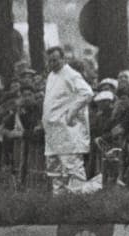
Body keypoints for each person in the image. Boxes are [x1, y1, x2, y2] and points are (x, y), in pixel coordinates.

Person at [42, 45, 93, 193]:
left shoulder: (71, 74)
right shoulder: (51, 76)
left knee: (73, 169)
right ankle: (60, 204)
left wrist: (71, 112)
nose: (53, 64)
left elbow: (87, 93)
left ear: (63, 59)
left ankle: (79, 204)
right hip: (52, 132)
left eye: (56, 60)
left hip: (68, 132)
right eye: (50, 61)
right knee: (55, 171)